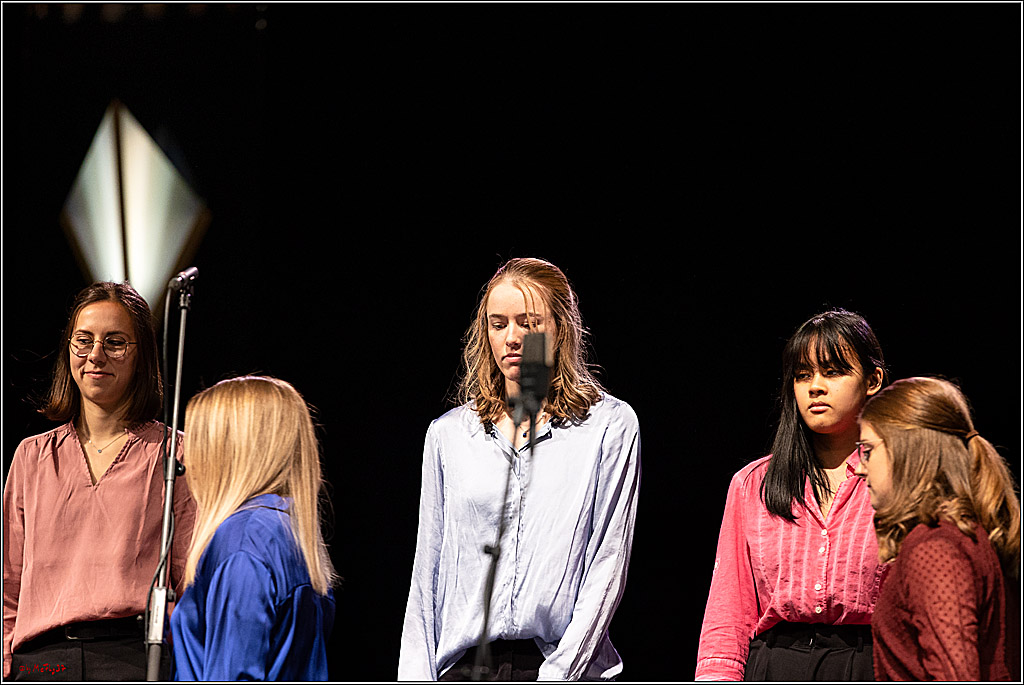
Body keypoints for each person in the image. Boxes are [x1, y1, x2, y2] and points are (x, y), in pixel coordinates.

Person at [399, 257, 641, 681]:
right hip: (466, 667)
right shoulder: (450, 435)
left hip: (562, 666)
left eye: (528, 322)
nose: (512, 338)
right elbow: (427, 574)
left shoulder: (607, 426)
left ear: (559, 328)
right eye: (498, 324)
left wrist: (559, 673)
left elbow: (608, 563)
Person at [2, 281, 196, 681]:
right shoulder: (32, 457)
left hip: (134, 660)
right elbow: (7, 586)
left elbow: (191, 579)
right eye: (83, 340)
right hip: (42, 665)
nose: (95, 355)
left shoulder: (175, 454)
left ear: (141, 355)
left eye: (115, 342)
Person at [696, 309, 888, 681]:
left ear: (873, 379)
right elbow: (728, 613)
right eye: (803, 375)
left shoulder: (901, 479)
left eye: (833, 372)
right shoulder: (753, 483)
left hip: (872, 664)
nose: (815, 386)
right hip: (775, 666)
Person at [170, 375, 337, 680]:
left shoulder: (243, 540)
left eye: (197, 441)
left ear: (226, 450)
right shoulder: (287, 531)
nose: (186, 461)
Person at [855, 376, 1020, 681]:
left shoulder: (936, 549)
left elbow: (955, 675)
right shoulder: (955, 536)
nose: (861, 467)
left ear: (908, 451)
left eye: (868, 450)